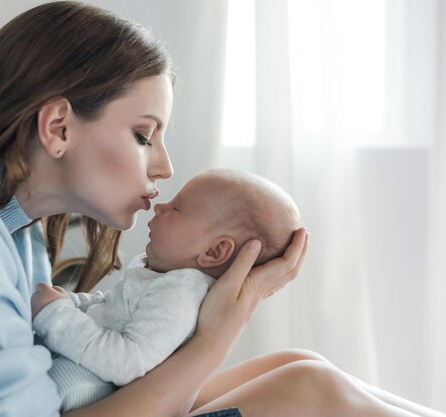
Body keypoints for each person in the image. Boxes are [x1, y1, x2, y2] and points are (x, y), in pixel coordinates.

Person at [0, 2, 446, 417]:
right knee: (307, 389)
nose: (164, 167)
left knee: (301, 362)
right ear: (58, 126)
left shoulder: (7, 226)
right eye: (144, 135)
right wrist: (217, 335)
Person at [30, 168, 302, 413]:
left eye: (177, 208)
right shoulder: (168, 280)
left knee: (304, 370)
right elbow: (111, 307)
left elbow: (127, 361)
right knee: (301, 364)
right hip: (93, 378)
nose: (160, 206)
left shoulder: (180, 295)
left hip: (81, 390)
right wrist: (70, 301)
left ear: (215, 251)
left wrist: (55, 314)